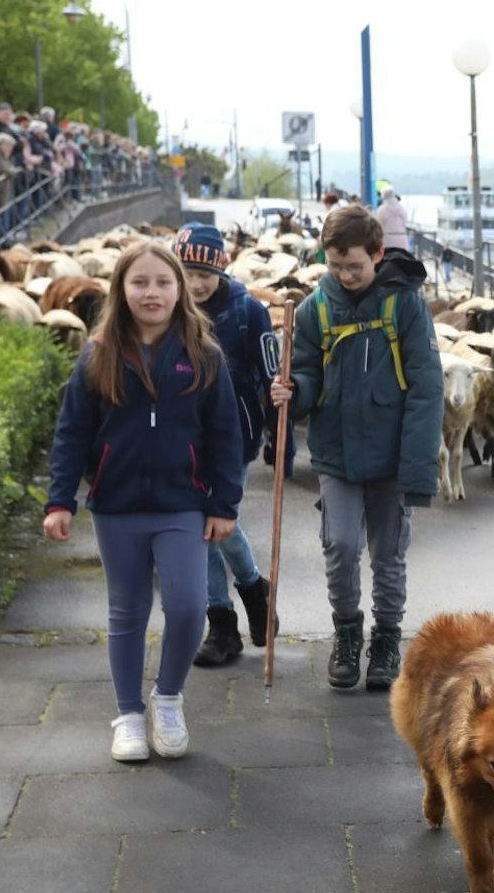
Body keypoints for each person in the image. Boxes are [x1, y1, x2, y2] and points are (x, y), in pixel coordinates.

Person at [43, 242, 244, 763]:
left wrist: (224, 503)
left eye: (162, 282)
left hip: (183, 505)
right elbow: (72, 432)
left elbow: (225, 435)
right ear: (121, 290)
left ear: (180, 289)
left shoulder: (204, 354)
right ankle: (129, 714)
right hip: (117, 505)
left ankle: (168, 698)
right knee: (127, 612)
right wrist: (59, 500)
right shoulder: (98, 352)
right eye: (139, 283)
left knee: (187, 606)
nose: (151, 292)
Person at [268, 205, 442, 691]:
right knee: (340, 545)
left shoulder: (405, 306)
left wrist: (418, 471)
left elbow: (427, 389)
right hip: (336, 453)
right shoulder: (312, 310)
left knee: (388, 553)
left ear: (378, 255)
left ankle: (386, 639)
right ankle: (347, 633)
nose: (345, 276)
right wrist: (292, 391)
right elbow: (306, 375)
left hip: (391, 455)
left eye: (356, 267)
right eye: (336, 266)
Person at [172, 224, 278, 667]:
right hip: (180, 436)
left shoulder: (247, 311)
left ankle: (253, 588)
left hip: (235, 436)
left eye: (205, 273)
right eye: (188, 271)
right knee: (202, 530)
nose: (197, 283)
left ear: (221, 269)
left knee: (221, 523)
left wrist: (280, 440)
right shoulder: (167, 310)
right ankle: (222, 625)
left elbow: (273, 375)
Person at [376, 184, 411, 252]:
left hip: (387, 242)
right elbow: (405, 221)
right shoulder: (401, 208)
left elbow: (378, 225)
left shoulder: (381, 210)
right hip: (402, 241)